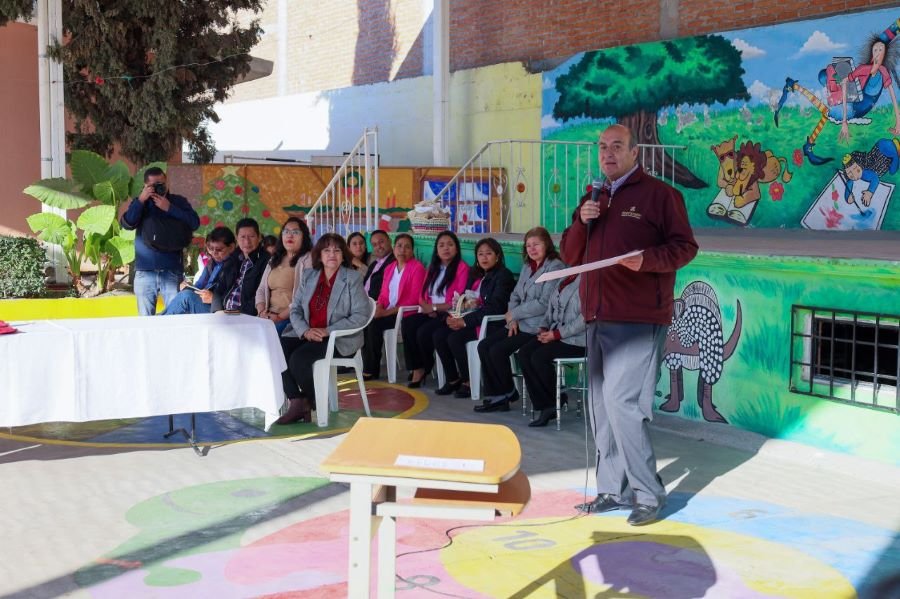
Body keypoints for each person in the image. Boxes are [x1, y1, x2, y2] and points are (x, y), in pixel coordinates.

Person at [560, 124, 698, 526]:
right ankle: (612, 490)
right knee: (601, 407)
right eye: (602, 147)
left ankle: (649, 495)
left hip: (638, 319)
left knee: (623, 405)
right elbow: (571, 255)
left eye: (617, 146)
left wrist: (648, 260)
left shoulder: (660, 195)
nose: (608, 153)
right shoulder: (593, 198)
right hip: (597, 316)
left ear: (635, 153)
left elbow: (685, 247)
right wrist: (581, 221)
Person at [276, 233, 371, 425]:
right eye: (326, 250)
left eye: (337, 250)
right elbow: (295, 309)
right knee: (276, 351)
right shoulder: (309, 276)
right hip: (308, 333)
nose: (332, 255)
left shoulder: (352, 278)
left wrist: (328, 330)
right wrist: (304, 331)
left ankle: (310, 401)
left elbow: (360, 315)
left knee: (298, 360)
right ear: (319, 255)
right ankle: (298, 400)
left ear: (344, 255)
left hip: (337, 337)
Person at [475, 227, 564, 413]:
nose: (532, 249)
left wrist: (515, 314)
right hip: (519, 322)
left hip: (537, 325)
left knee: (498, 350)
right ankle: (501, 394)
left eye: (536, 244)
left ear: (547, 244)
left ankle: (507, 395)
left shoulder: (555, 266)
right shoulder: (527, 267)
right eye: (528, 245)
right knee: (484, 346)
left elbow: (544, 303)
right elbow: (515, 295)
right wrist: (511, 317)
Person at [435, 238, 515, 399]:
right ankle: (454, 378)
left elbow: (495, 307)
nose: (484, 258)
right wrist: (454, 316)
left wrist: (464, 322)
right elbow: (465, 300)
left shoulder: (502, 276)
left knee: (455, 339)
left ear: (497, 256)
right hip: (472, 319)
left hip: (491, 324)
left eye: (489, 254)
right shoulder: (475, 274)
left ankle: (468, 380)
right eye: (480, 254)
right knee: (439, 335)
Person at [120, 167, 200, 315]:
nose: (159, 187)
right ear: (145, 186)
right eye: (154, 185)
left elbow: (194, 222)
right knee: (146, 321)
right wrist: (141, 200)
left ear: (167, 182)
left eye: (161, 183)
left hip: (171, 270)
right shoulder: (141, 203)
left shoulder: (178, 202)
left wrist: (170, 208)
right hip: (145, 271)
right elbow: (127, 223)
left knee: (174, 317)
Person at [400, 231, 469, 388]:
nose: (446, 249)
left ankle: (427, 365)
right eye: (441, 245)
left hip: (448, 313)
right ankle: (418, 367)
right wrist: (426, 307)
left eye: (450, 245)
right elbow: (421, 293)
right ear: (436, 250)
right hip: (429, 310)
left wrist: (435, 308)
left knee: (424, 332)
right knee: (408, 323)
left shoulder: (461, 268)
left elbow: (457, 300)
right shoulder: (433, 267)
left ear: (456, 249)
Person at [517, 274, 586, 427]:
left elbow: (585, 318)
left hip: (579, 340)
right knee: (524, 353)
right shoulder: (565, 277)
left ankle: (550, 405)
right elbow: (550, 310)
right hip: (556, 334)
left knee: (539, 357)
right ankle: (547, 402)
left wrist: (556, 334)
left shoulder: (589, 278)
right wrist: (544, 327)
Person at [362, 234, 426, 380]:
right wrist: (378, 307)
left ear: (412, 251)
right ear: (394, 247)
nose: (402, 250)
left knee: (375, 323)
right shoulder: (390, 268)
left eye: (407, 247)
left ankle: (371, 369)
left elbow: (414, 300)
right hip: (389, 311)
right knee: (369, 321)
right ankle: (370, 368)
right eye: (399, 246)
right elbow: (384, 294)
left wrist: (385, 313)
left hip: (406, 313)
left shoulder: (417, 268)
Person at [256, 217, 313, 334]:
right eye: (286, 231)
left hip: (291, 318)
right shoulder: (274, 259)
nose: (290, 235)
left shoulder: (308, 260)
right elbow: (261, 289)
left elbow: (304, 297)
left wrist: (280, 317)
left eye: (295, 232)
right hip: (268, 316)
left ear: (304, 237)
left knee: (263, 338)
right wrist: (261, 312)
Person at [161, 227, 237, 315]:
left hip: (221, 310)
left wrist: (214, 299)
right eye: (211, 249)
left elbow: (235, 302)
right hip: (208, 303)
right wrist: (189, 287)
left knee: (186, 297)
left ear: (231, 247)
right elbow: (199, 285)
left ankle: (159, 322)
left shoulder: (235, 266)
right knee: (185, 294)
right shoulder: (212, 263)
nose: (214, 253)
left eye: (219, 250)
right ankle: (160, 320)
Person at [212, 218, 269, 315]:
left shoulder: (266, 261)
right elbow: (219, 289)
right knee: (186, 297)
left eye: (251, 236)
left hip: (243, 316)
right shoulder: (233, 259)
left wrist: (235, 314)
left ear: (259, 237)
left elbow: (260, 295)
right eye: (242, 237)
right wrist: (217, 311)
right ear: (237, 238)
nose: (247, 242)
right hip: (223, 313)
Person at [362, 230, 396, 301]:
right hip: (362, 302)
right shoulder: (374, 264)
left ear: (389, 241)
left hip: (377, 305)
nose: (378, 246)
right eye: (374, 245)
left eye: (381, 242)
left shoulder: (394, 262)